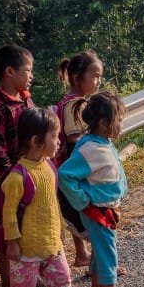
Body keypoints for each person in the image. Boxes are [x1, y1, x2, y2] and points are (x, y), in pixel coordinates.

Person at [0, 107, 97, 287]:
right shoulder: (17, 176)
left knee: (63, 283)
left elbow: (51, 205)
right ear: (35, 141)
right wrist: (11, 242)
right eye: (54, 136)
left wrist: (60, 232)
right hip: (26, 249)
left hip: (52, 244)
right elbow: (9, 213)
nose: (58, 141)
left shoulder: (49, 166)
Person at [58, 91, 138, 287]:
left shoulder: (100, 143)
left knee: (99, 253)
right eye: (119, 119)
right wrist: (83, 201)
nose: (121, 124)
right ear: (104, 124)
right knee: (108, 257)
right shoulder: (90, 149)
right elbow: (65, 175)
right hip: (97, 212)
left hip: (105, 210)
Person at [0, 45, 34, 287]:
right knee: (4, 233)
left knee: (25, 229)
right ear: (9, 72)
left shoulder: (26, 99)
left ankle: (27, 281)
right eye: (27, 71)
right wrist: (11, 178)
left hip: (28, 176)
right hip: (6, 181)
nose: (31, 76)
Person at [54, 51, 103, 269]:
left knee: (82, 215)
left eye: (99, 76)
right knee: (91, 217)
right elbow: (76, 143)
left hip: (69, 170)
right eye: (94, 75)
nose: (98, 80)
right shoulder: (75, 105)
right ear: (76, 77)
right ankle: (99, 262)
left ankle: (85, 255)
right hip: (77, 171)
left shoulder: (72, 101)